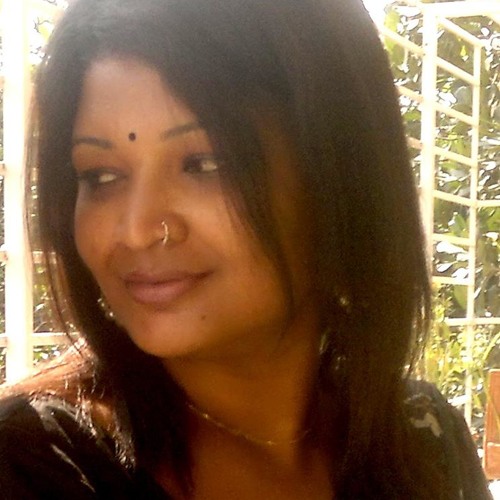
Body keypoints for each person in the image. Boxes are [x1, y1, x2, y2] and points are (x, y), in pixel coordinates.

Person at [0, 0, 492, 498]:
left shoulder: (422, 441)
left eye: (204, 164)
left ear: (339, 177)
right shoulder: (32, 465)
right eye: (101, 176)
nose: (136, 229)